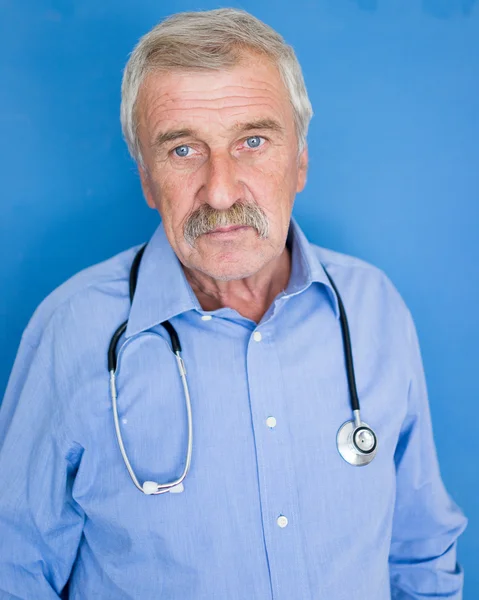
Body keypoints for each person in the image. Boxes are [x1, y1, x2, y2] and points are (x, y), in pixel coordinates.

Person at [0, 8, 467, 600]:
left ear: (300, 160)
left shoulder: (374, 309)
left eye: (252, 141)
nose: (220, 191)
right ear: (146, 179)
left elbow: (420, 552)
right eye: (183, 151)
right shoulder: (71, 330)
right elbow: (11, 574)